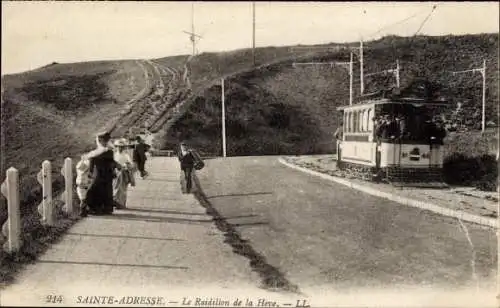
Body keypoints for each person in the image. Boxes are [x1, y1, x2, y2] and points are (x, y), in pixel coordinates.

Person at [84, 132, 121, 215]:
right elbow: (110, 162)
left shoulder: (100, 152)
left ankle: (99, 208)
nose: (102, 142)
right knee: (104, 190)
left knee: (99, 190)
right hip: (105, 173)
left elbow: (92, 161)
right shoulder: (108, 151)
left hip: (100, 173)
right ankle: (104, 208)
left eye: (103, 140)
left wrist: (90, 171)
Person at [113, 138, 135, 209]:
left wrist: (127, 165)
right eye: (119, 146)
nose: (120, 148)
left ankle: (122, 204)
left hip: (124, 173)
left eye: (121, 147)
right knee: (115, 188)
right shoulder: (114, 155)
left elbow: (131, 165)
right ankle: (116, 203)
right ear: (116, 147)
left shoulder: (126, 155)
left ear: (124, 147)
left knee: (122, 189)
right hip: (115, 173)